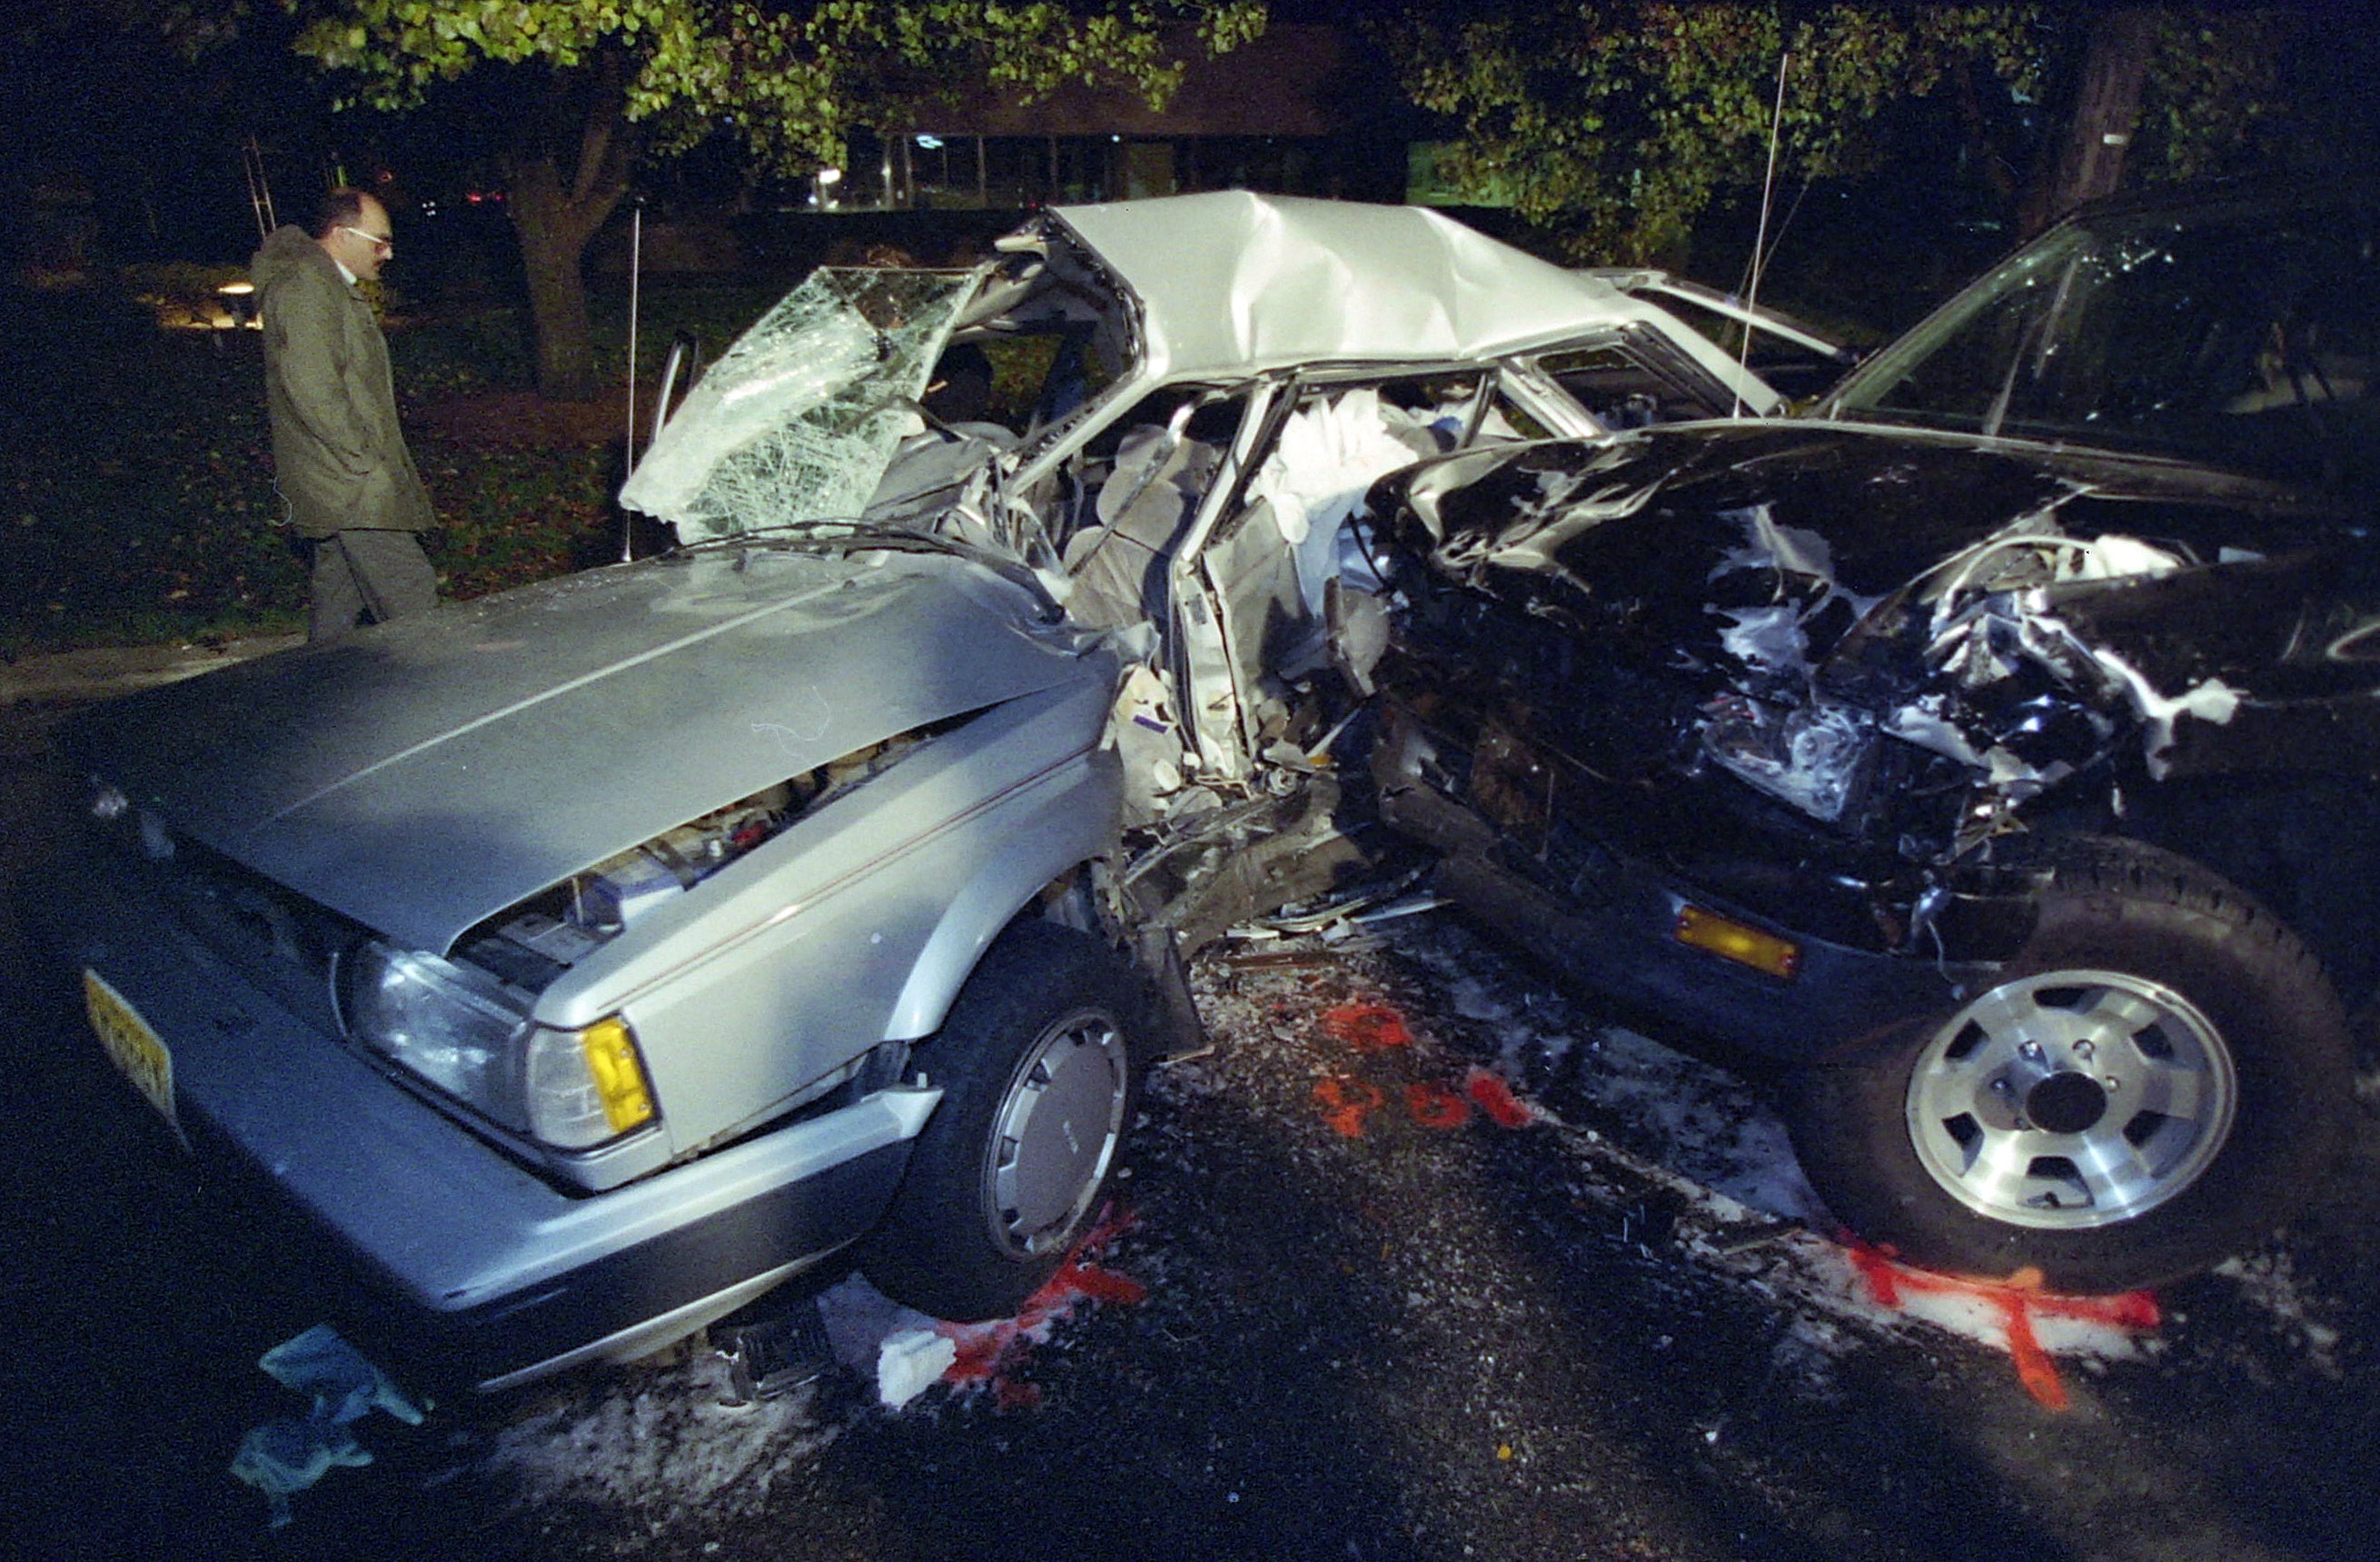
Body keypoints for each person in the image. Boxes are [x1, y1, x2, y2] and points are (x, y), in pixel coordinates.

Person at [250, 188, 438, 641]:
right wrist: (362, 458)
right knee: (414, 601)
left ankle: (318, 684)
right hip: (351, 487)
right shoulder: (307, 288)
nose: (388, 253)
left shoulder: (326, 286)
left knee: (338, 603)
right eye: (380, 241)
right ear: (340, 235)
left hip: (341, 484)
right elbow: (311, 386)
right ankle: (447, 683)